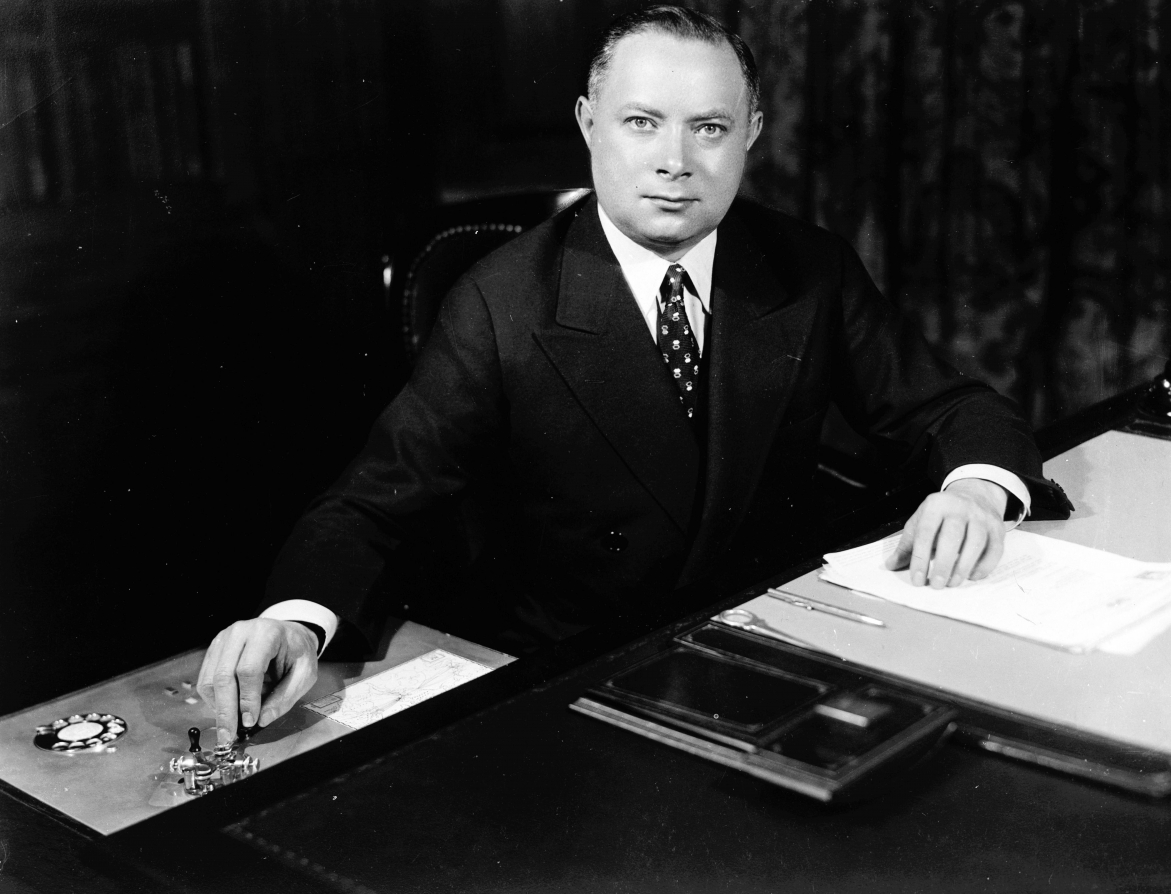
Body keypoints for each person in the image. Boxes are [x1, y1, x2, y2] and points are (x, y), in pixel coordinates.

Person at [198, 6, 1070, 746]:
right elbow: (378, 499)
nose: (675, 161)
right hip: (578, 680)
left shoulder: (807, 267)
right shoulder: (500, 301)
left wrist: (976, 491)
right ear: (588, 124)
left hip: (772, 650)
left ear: (752, 135)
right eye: (642, 122)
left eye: (711, 128)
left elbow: (953, 408)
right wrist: (294, 618)